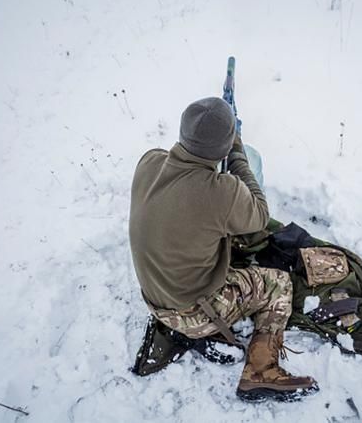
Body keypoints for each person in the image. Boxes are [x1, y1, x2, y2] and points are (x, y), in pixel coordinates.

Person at [129, 97, 318, 401]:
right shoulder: (221, 192)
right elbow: (259, 215)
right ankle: (260, 370)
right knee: (278, 284)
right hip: (193, 312)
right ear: (224, 145)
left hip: (154, 299)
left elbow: (185, 182)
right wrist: (238, 152)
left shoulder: (148, 162)